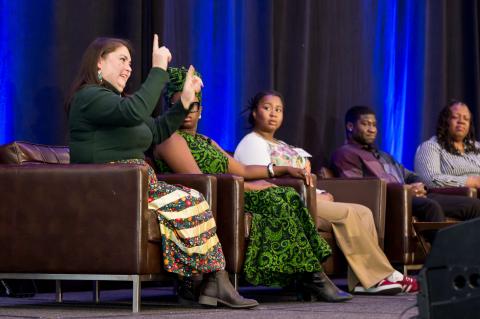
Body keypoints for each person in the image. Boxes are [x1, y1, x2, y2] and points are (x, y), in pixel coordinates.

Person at [66, 36, 258, 309]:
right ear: (99, 61)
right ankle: (213, 280)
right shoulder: (89, 97)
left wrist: (184, 103)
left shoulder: (118, 103)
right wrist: (158, 70)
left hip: (135, 185)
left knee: (192, 199)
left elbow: (156, 131)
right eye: (122, 60)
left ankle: (206, 281)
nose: (128, 68)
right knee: (191, 201)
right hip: (111, 187)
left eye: (131, 63)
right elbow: (135, 112)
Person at [153, 67, 352, 303]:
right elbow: (198, 180)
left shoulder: (206, 141)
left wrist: (281, 170)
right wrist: (248, 188)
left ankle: (310, 274)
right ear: (171, 109)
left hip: (231, 193)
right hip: (209, 200)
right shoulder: (169, 138)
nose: (186, 111)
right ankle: (312, 277)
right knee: (276, 199)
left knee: (287, 195)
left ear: (200, 111)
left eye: (192, 105)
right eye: (180, 105)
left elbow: (243, 170)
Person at [234, 91, 417, 295]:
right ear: (254, 113)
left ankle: (363, 280)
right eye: (267, 108)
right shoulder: (252, 142)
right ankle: (378, 277)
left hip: (308, 197)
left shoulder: (284, 145)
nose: (273, 114)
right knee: (348, 214)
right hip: (288, 201)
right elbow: (266, 180)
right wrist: (313, 195)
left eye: (278, 110)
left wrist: (320, 191)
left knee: (363, 211)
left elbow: (305, 177)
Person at [331, 105, 480, 223]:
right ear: (350, 126)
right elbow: (358, 187)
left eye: (374, 125)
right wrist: (405, 190)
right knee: (431, 207)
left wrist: (420, 185)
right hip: (393, 200)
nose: (372, 129)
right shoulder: (346, 153)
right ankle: (443, 259)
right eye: (365, 124)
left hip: (414, 196)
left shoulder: (383, 155)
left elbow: (410, 175)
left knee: (474, 205)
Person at [415, 100, 480, 188]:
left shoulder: (477, 147)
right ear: (445, 121)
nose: (461, 121)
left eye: (466, 119)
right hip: (454, 198)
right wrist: (470, 182)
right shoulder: (430, 147)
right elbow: (430, 180)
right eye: (455, 117)